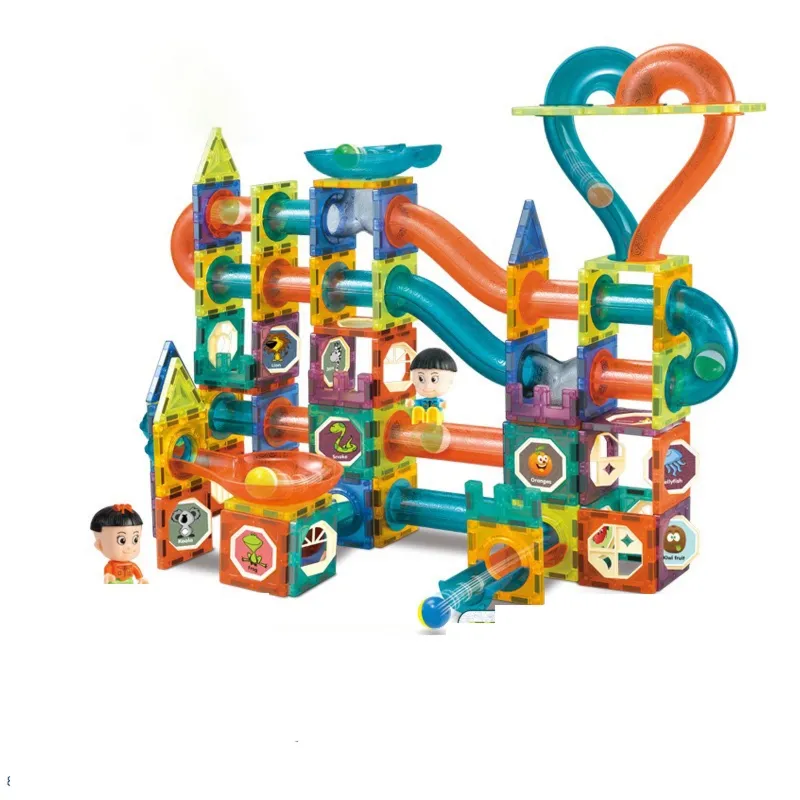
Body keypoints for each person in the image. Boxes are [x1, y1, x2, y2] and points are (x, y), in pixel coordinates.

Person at [91, 504, 149, 584]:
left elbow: (136, 571)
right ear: (99, 545)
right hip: (115, 582)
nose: (129, 546)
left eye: (135, 539)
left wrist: (141, 578)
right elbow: (108, 571)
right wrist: (108, 575)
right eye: (122, 540)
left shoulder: (132, 565)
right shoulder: (110, 566)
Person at [406, 348, 457, 424]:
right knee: (418, 409)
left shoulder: (438, 401)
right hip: (422, 421)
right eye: (421, 379)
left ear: (450, 380)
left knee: (434, 411)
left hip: (436, 420)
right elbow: (417, 403)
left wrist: (442, 405)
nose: (427, 386)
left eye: (434, 379)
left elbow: (441, 404)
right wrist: (412, 403)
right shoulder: (422, 401)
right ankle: (417, 421)